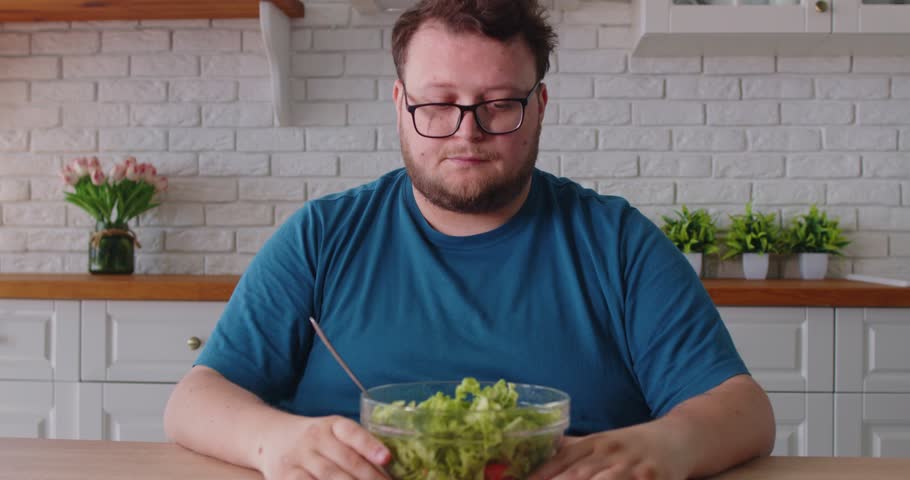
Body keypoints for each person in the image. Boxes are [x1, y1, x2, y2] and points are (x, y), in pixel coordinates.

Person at [164, 0, 775, 478]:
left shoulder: (617, 243)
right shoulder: (323, 237)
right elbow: (194, 400)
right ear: (400, 103)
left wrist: (667, 445)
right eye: (438, 104)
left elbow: (744, 410)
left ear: (539, 106)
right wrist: (276, 442)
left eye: (498, 104)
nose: (467, 132)